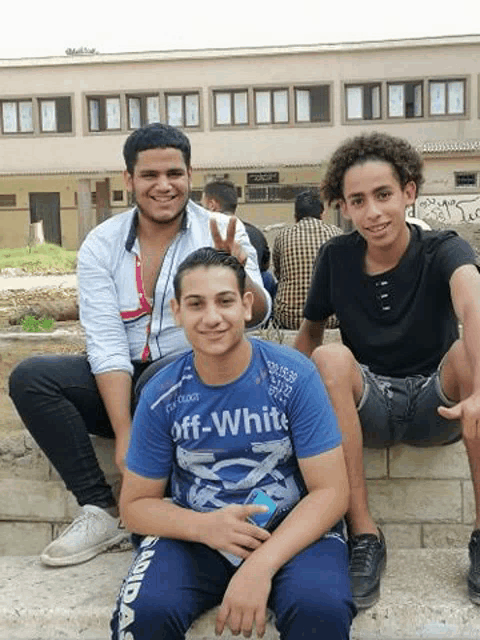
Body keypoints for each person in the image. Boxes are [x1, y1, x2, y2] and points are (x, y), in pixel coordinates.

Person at [8, 123, 270, 568]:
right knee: (32, 378)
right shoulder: (102, 244)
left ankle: (175, 507)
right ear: (129, 180)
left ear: (191, 175)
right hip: (127, 384)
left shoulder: (222, 230)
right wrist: (125, 433)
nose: (164, 186)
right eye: (150, 175)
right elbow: (106, 342)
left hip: (196, 385)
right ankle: (100, 510)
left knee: (160, 376)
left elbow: (259, 312)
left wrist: (239, 270)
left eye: (174, 173)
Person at [110, 247, 355, 640]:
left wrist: (261, 566)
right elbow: (135, 506)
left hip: (290, 531)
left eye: (224, 301)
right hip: (197, 532)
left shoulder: (294, 377)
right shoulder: (161, 394)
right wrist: (205, 527)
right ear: (177, 312)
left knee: (321, 608)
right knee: (145, 612)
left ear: (245, 305)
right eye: (195, 304)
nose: (211, 317)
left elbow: (331, 491)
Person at [294, 131, 480, 609]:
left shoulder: (444, 248)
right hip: (371, 402)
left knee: (467, 355)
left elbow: (473, 305)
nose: (373, 212)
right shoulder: (335, 256)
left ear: (408, 193)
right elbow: (309, 336)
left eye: (383, 195)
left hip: (438, 403)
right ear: (344, 207)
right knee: (331, 357)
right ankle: (364, 535)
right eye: (358, 201)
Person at [272, 189, 342, 330]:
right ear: (322, 213)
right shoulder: (337, 234)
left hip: (289, 318)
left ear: (295, 216)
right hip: (332, 317)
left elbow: (278, 274)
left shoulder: (283, 235)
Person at [201, 179, 277, 300]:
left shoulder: (203, 230)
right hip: (254, 296)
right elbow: (265, 264)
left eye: (202, 205)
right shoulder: (255, 232)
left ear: (211, 205)